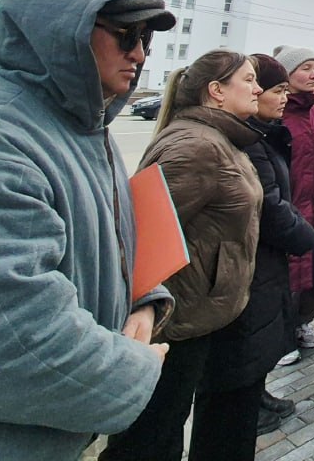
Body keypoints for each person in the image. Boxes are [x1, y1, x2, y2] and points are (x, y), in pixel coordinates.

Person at [0, 0, 173, 459]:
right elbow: (4, 344)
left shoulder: (86, 126)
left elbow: (118, 241)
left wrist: (144, 303)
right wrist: (135, 365)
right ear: (60, 27)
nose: (139, 53)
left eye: (146, 38)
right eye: (125, 34)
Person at [102, 49, 265, 460]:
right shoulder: (195, 146)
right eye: (248, 79)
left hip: (203, 316)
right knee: (150, 439)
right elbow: (135, 237)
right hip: (174, 324)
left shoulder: (220, 138)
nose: (258, 88)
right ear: (216, 91)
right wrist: (145, 309)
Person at [201, 54, 314, 449]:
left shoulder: (264, 133)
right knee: (241, 356)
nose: (280, 97)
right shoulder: (242, 142)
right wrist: (305, 234)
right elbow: (267, 205)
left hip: (265, 256)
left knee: (259, 342)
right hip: (248, 260)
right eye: (275, 89)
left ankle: (258, 396)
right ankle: (251, 405)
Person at [273, 45, 314, 362]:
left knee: (312, 269)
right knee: (285, 274)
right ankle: (281, 338)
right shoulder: (278, 115)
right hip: (285, 205)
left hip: (313, 205)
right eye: (305, 68)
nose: (313, 75)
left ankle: (302, 324)